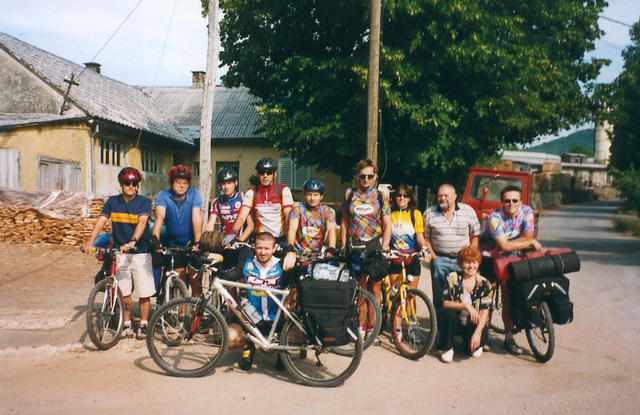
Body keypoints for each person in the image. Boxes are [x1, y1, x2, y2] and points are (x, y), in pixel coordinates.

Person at [84, 167, 155, 339]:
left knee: (144, 292)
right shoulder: (112, 202)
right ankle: (126, 323)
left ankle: (144, 324)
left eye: (134, 183)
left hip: (140, 251)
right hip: (121, 253)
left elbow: (142, 223)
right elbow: (101, 221)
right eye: (127, 183)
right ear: (121, 184)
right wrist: (90, 242)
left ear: (137, 185)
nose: (131, 186)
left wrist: (132, 242)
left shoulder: (144, 202)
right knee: (124, 292)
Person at [479, 185, 542, 355]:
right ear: (502, 202)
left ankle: (509, 338)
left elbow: (526, 236)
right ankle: (484, 336)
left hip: (511, 256)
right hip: (489, 256)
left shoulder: (526, 212)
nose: (511, 204)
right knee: (488, 297)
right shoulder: (494, 218)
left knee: (508, 296)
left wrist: (511, 244)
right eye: (507, 201)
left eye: (515, 200)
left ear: (521, 201)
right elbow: (509, 244)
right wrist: (528, 242)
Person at [341, 159, 391, 336]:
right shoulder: (349, 194)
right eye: (363, 176)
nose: (366, 179)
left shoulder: (381, 196)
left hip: (374, 244)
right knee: (360, 287)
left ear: (375, 176)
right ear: (357, 176)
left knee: (375, 288)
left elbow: (387, 225)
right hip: (356, 244)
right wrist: (343, 245)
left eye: (370, 176)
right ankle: (361, 325)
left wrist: (385, 247)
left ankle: (373, 327)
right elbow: (345, 221)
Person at [225, 232, 285, 371]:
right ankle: (248, 346)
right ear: (254, 247)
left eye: (267, 248)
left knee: (299, 336)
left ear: (274, 248)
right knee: (229, 338)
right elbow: (227, 276)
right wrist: (217, 259)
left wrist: (292, 255)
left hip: (277, 320)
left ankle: (283, 353)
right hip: (251, 320)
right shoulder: (247, 265)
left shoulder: (282, 265)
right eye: (259, 248)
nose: (263, 252)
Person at [423, 184, 481, 316]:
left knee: (462, 293)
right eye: (439, 196)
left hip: (462, 260)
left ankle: (460, 322)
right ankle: (439, 323)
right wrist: (434, 257)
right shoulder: (429, 213)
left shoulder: (468, 211)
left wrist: (469, 257)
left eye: (446, 195)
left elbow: (475, 236)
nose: (442, 198)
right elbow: (426, 238)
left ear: (454, 196)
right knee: (440, 295)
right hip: (439, 259)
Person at [151, 164, 204, 297]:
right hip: (174, 245)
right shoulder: (163, 195)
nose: (181, 186)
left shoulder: (194, 194)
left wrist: (197, 242)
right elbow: (159, 217)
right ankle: (179, 309)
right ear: (171, 183)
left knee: (196, 283)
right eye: (178, 182)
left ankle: (197, 309)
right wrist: (155, 239)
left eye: (185, 183)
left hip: (191, 244)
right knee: (178, 283)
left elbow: (196, 217)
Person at [439, 246, 493, 363]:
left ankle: (472, 342)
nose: (471, 266)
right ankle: (448, 347)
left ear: (478, 263)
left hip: (473, 322)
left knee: (476, 346)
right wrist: (466, 306)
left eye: (474, 262)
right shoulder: (452, 278)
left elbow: (485, 312)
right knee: (448, 314)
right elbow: (445, 303)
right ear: (461, 263)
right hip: (456, 320)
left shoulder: (485, 284)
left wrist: (477, 333)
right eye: (467, 262)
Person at [226, 157, 294, 245]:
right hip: (260, 241)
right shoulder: (251, 192)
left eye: (269, 172)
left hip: (280, 240)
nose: (265, 175)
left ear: (275, 174)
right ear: (257, 174)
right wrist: (231, 235)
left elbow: (288, 216)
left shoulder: (283, 190)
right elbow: (242, 216)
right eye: (262, 172)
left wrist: (289, 242)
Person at [282, 179, 337, 272]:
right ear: (305, 194)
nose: (312, 198)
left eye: (315, 195)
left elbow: (331, 230)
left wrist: (331, 248)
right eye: (309, 194)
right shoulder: (297, 209)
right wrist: (290, 247)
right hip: (298, 254)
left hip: (317, 256)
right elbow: (292, 229)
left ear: (321, 196)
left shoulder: (328, 212)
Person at [203, 167, 253, 267]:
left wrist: (238, 241)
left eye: (229, 183)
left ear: (236, 183)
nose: (226, 187)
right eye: (223, 183)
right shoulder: (217, 201)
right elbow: (210, 224)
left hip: (242, 244)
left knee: (240, 271)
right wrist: (203, 240)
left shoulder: (243, 198)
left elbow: (250, 226)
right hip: (224, 244)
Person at [388, 184, 429, 289]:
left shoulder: (415, 214)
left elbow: (419, 236)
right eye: (399, 195)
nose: (402, 198)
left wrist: (424, 248)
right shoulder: (390, 214)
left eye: (405, 196)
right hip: (395, 258)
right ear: (395, 197)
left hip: (412, 258)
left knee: (411, 295)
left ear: (410, 198)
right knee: (396, 295)